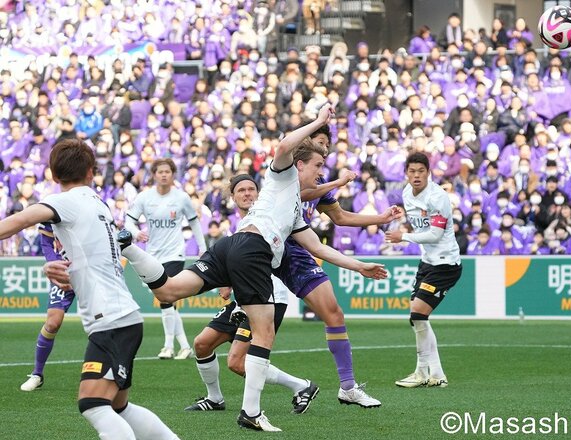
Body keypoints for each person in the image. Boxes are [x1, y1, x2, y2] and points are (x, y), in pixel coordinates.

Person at [117, 104, 387, 432]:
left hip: (230, 246)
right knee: (265, 332)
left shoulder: (295, 215)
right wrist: (318, 121)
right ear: (300, 164)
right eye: (318, 164)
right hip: (253, 252)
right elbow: (284, 146)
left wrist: (359, 266)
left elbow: (318, 248)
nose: (321, 172)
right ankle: (251, 412)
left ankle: (128, 245)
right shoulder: (282, 173)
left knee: (168, 289)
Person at [0, 139, 179, 439]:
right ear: (90, 172)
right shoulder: (98, 203)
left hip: (111, 319)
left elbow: (13, 224)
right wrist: (54, 265)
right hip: (122, 316)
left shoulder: (64, 202)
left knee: (93, 404)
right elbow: (89, 251)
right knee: (119, 407)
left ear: (54, 177)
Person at [282, 124, 402, 408]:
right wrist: (338, 182)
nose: (323, 147)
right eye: (317, 142)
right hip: (266, 248)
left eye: (326, 144)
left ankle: (347, 386)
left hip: (298, 250)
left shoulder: (320, 181)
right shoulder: (286, 171)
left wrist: (379, 219)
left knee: (334, 314)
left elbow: (341, 217)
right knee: (250, 332)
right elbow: (303, 191)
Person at [185, 174, 318, 415]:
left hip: (267, 297)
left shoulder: (272, 218)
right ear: (233, 197)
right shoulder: (240, 227)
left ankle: (302, 386)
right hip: (244, 298)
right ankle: (215, 398)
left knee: (236, 362)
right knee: (202, 344)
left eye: (251, 189)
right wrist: (226, 281)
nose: (247, 193)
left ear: (259, 195)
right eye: (241, 190)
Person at [385, 152, 462, 388]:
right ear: (406, 173)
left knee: (418, 314)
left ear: (428, 173)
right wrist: (402, 217)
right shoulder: (407, 193)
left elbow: (435, 233)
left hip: (446, 263)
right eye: (412, 171)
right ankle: (436, 374)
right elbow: (421, 222)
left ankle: (421, 372)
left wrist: (403, 236)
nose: (416, 175)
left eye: (421, 171)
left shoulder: (438, 197)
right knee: (419, 319)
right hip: (427, 262)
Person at [124, 159, 208, 360]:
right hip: (153, 255)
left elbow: (195, 223)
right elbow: (129, 220)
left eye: (167, 171)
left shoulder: (181, 198)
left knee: (165, 298)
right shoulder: (145, 197)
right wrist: (136, 233)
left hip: (175, 254)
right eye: (160, 171)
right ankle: (185, 346)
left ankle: (168, 346)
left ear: (172, 174)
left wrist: (203, 248)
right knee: (167, 300)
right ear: (154, 174)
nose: (163, 175)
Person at [20, 223, 76, 391]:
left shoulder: (95, 205)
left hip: (92, 271)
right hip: (65, 271)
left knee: (103, 320)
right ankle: (37, 374)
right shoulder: (53, 209)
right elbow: (46, 241)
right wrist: (55, 265)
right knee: (52, 322)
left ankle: (112, 369)